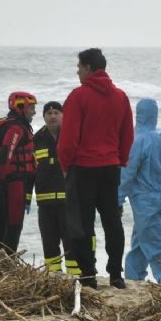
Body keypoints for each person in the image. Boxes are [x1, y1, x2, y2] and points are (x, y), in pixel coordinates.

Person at [58, 48, 134, 289]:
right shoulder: (120, 96)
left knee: (82, 223)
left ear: (89, 68)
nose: (77, 71)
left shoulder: (78, 96)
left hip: (83, 167)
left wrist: (65, 165)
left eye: (79, 66)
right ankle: (116, 274)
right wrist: (120, 159)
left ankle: (88, 274)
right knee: (112, 220)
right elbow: (127, 135)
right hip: (110, 166)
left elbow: (68, 138)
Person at [118, 98, 161, 285]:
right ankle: (133, 278)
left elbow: (128, 173)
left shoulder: (136, 140)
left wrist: (118, 199)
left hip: (144, 200)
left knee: (155, 245)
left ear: (137, 115)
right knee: (141, 242)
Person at [33, 101, 80, 276]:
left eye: (56, 112)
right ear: (44, 116)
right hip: (45, 203)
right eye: (49, 113)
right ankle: (54, 276)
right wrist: (27, 197)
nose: (52, 116)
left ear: (64, 115)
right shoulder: (36, 139)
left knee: (71, 241)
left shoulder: (72, 136)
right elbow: (31, 170)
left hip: (68, 201)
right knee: (49, 241)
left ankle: (75, 276)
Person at [0, 92, 37, 258]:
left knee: (1, 224)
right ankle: (6, 263)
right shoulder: (16, 128)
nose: (34, 112)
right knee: (13, 225)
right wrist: (1, 182)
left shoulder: (10, 125)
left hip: (5, 183)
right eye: (31, 108)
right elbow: (5, 156)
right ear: (21, 107)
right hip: (13, 183)